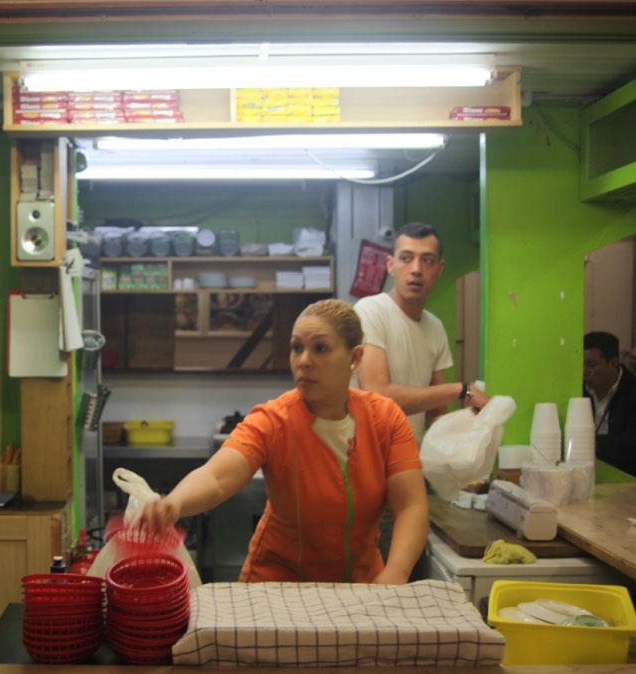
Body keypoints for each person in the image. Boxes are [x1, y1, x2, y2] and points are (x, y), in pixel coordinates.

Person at [135, 299, 429, 584]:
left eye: (320, 348)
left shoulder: (386, 419)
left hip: (359, 585)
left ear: (354, 357)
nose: (304, 361)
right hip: (278, 586)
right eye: (296, 348)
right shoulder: (274, 420)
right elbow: (217, 477)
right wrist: (174, 503)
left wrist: (396, 572)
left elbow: (411, 505)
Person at [353, 222, 488, 443]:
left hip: (409, 463)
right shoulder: (370, 311)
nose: (416, 269)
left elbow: (436, 414)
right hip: (367, 462)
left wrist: (470, 430)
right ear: (390, 264)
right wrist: (461, 390)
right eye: (406, 258)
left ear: (439, 269)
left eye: (427, 260)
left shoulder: (435, 328)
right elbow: (377, 396)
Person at [583, 331, 636, 476]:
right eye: (581, 365)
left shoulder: (631, 392)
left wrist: (595, 444)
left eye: (591, 365)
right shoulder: (579, 390)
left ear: (613, 364)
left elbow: (631, 443)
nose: (584, 371)